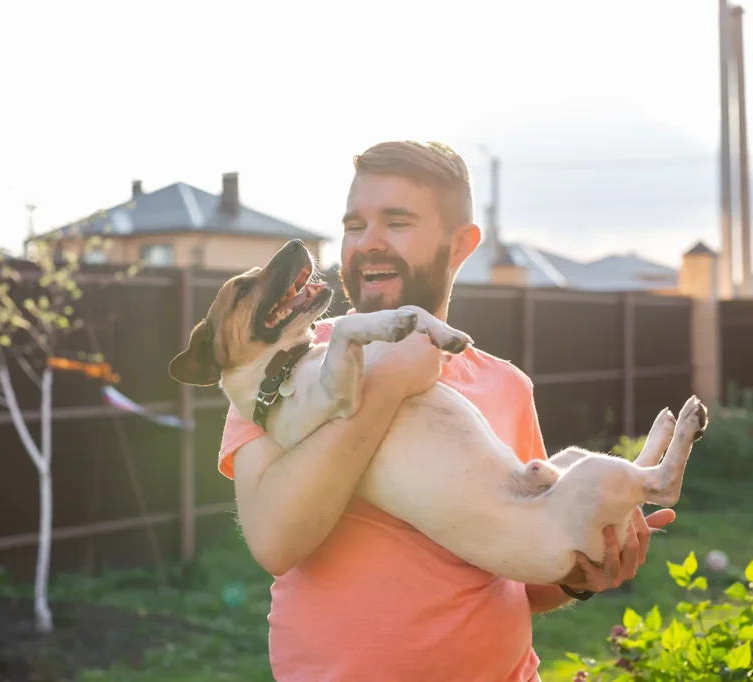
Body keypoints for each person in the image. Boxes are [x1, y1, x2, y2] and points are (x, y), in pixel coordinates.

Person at [216, 140, 676, 681]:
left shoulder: (505, 385)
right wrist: (385, 387)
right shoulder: (279, 373)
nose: (369, 243)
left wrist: (583, 572)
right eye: (354, 224)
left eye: (397, 222)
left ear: (461, 244)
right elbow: (275, 541)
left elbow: (520, 564)